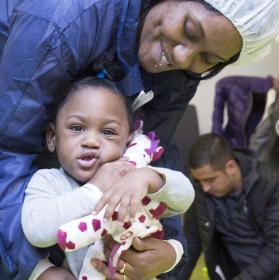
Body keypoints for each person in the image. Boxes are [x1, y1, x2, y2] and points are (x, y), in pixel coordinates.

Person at [0, 0, 279, 279]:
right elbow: (8, 148)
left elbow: (157, 149)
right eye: (190, 30)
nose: (183, 58)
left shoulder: (184, 71)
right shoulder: (64, 19)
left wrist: (169, 250)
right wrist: (37, 269)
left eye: (209, 59)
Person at [21, 76, 194, 280]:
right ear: (52, 137)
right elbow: (36, 230)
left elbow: (185, 197)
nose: (91, 141)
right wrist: (96, 188)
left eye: (108, 132)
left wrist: (149, 178)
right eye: (77, 128)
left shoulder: (132, 175)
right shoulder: (48, 181)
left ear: (128, 141)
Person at [183, 133, 279, 280]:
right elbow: (191, 240)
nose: (205, 187)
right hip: (231, 272)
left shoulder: (270, 185)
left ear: (231, 167)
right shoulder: (199, 189)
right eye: (199, 181)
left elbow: (276, 248)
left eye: (210, 180)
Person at [212, 75, 275, 148]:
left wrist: (216, 139)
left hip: (241, 143)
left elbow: (217, 118)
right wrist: (216, 139)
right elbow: (217, 117)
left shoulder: (224, 84)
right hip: (240, 144)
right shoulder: (225, 84)